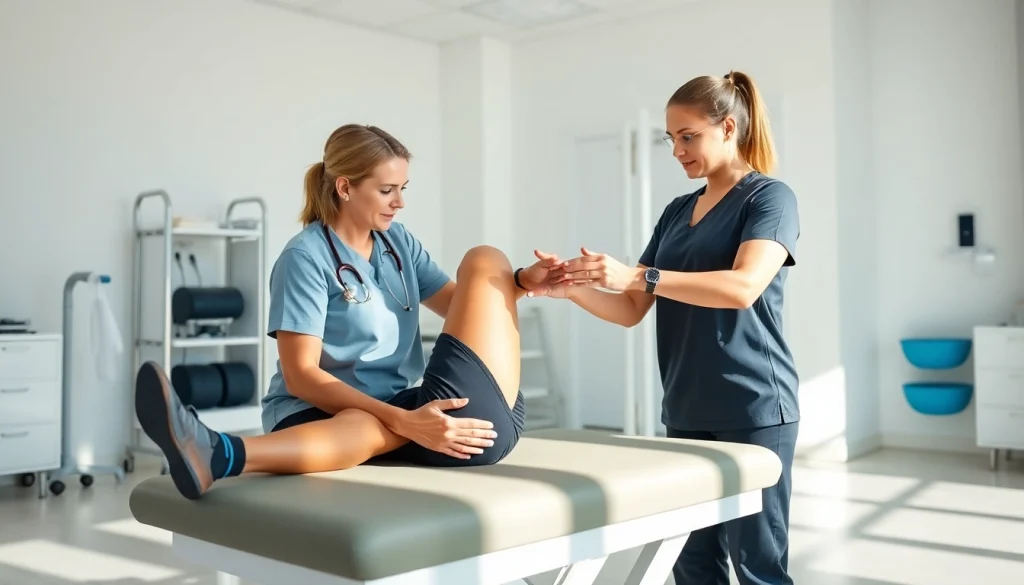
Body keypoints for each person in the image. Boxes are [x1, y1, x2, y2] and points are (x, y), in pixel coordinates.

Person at [134, 123, 563, 501]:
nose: (399, 203)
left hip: (394, 404)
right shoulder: (305, 257)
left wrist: (522, 283)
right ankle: (219, 452)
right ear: (344, 187)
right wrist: (405, 421)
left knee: (487, 261)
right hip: (318, 411)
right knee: (367, 422)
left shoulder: (400, 244)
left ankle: (212, 450)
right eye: (386, 190)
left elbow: (459, 307)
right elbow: (302, 376)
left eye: (403, 189)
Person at [543, 71, 799, 585]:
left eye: (688, 136)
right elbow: (631, 309)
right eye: (670, 139)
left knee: (758, 565)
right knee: (692, 564)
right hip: (686, 405)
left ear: (728, 128)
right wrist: (571, 289)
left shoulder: (769, 199)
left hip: (753, 406)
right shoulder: (676, 211)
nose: (677, 150)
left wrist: (640, 274)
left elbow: (743, 286)